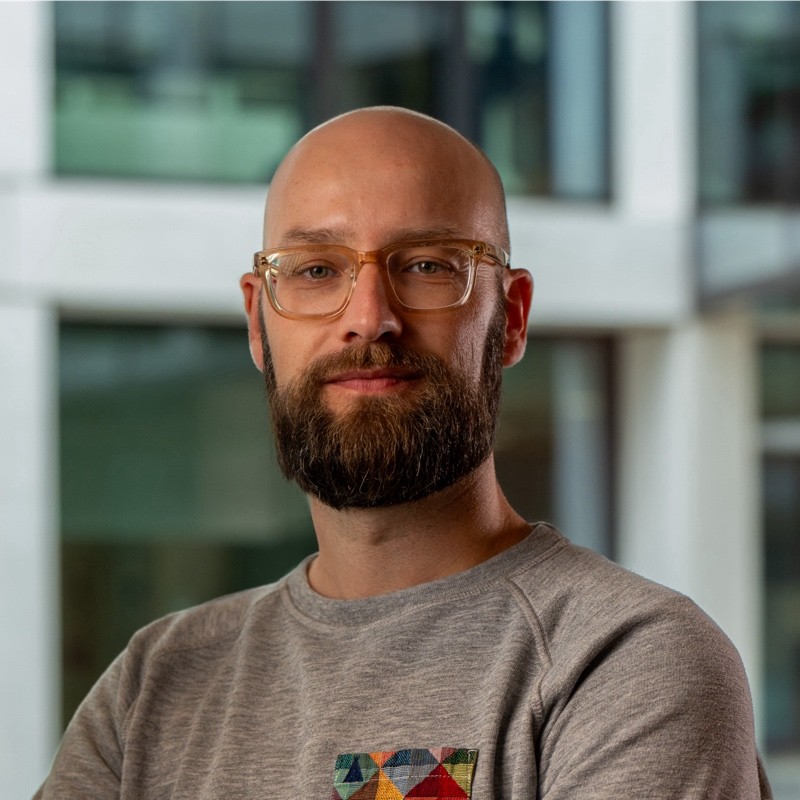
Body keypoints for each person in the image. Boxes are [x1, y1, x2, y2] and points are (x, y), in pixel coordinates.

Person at [36, 107, 771, 799]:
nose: (369, 318)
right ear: (259, 323)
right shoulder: (152, 686)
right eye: (315, 270)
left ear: (511, 318)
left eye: (426, 265)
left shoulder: (624, 660)